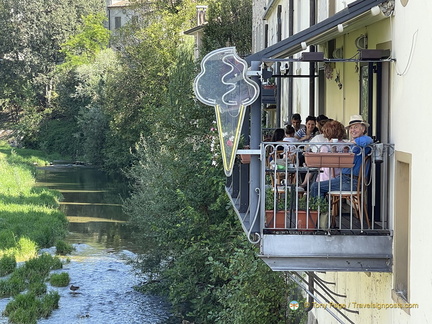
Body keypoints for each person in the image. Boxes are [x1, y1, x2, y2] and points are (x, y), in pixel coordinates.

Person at [310, 115, 373, 198]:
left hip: (351, 181)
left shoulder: (364, 141)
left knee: (316, 187)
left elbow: (368, 140)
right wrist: (334, 149)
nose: (353, 130)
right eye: (351, 128)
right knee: (317, 185)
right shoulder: (352, 144)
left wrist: (351, 143)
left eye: (356, 127)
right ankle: (323, 209)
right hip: (344, 178)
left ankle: (321, 210)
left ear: (363, 129)